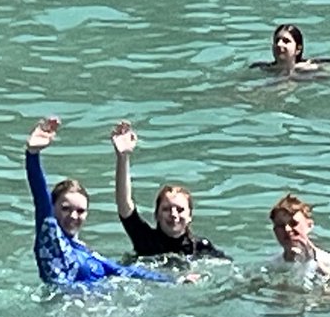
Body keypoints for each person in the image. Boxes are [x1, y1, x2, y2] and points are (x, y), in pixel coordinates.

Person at [24, 116, 171, 289]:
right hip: (67, 310)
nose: (73, 216)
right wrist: (32, 155)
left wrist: (173, 281)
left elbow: (123, 271)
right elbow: (40, 196)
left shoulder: (86, 252)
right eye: (65, 208)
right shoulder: (52, 239)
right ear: (53, 209)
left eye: (80, 211)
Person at [110, 120, 228, 259]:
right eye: (166, 209)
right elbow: (124, 204)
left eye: (180, 209)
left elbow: (229, 268)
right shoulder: (145, 239)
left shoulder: (201, 247)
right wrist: (123, 157)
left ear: (190, 216)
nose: (173, 214)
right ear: (156, 215)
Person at [266, 193, 330, 288]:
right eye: (280, 226)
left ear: (309, 225)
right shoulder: (272, 264)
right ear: (274, 230)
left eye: (293, 223)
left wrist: (319, 267)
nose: (287, 229)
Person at [250, 23, 330, 75]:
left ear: (298, 49)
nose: (279, 44)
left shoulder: (313, 67)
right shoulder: (261, 68)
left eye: (286, 41)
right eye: (277, 41)